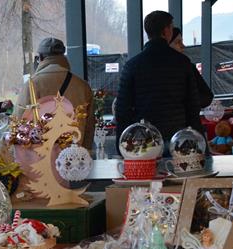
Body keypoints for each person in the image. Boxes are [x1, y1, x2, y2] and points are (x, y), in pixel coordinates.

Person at [115, 10, 213, 145]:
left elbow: (122, 109)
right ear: (166, 31)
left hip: (145, 140)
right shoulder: (182, 63)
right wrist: (198, 139)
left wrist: (122, 143)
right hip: (178, 138)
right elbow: (193, 105)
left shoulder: (132, 66)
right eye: (171, 28)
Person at [15, 37, 95, 150]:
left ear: (40, 57)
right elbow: (89, 127)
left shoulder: (31, 85)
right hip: (73, 155)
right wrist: (85, 152)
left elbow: (19, 122)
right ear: (63, 56)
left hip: (40, 156)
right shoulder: (83, 86)